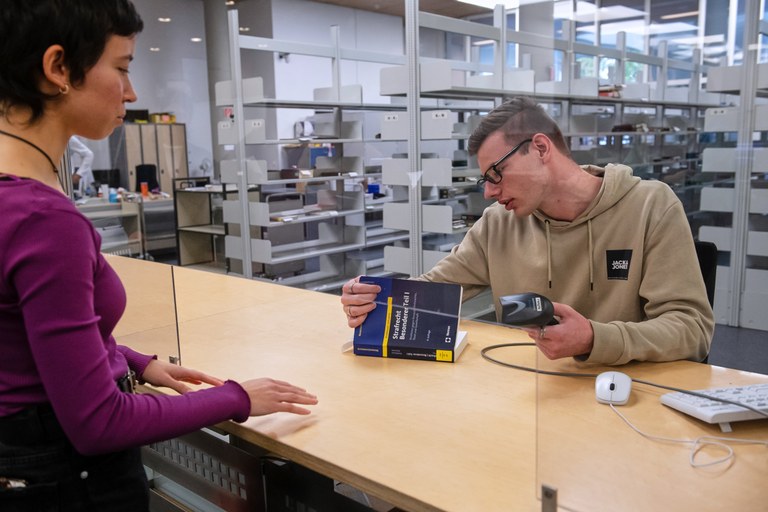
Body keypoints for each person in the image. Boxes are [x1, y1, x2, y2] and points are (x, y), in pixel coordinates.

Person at [0, 1, 316, 510]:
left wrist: (134, 363)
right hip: (69, 482)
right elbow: (98, 424)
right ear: (58, 68)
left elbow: (26, 344)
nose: (132, 91)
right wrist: (237, 397)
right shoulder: (42, 218)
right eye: (122, 67)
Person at [341, 96, 714, 365]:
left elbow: (692, 329)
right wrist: (374, 301)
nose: (488, 191)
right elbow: (433, 290)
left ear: (539, 148)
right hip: (529, 394)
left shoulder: (651, 206)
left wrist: (595, 338)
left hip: (623, 396)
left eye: (495, 174)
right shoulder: (498, 223)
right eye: (484, 180)